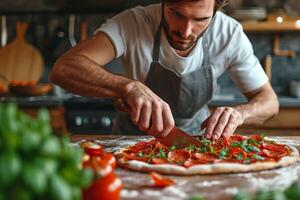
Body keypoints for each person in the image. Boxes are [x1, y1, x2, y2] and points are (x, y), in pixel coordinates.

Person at [50, 0, 279, 140]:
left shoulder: (229, 33)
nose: (186, 31)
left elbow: (269, 102)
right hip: (131, 139)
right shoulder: (133, 23)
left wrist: (240, 113)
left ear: (216, 11)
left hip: (198, 141)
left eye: (200, 19)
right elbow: (64, 68)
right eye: (177, 14)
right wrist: (129, 87)